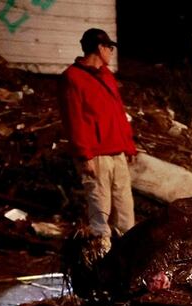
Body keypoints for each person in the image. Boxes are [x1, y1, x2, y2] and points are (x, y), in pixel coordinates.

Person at [59, 28, 137, 259]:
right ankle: (101, 260)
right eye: (109, 48)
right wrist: (84, 155)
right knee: (100, 211)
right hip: (96, 155)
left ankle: (127, 258)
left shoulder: (106, 76)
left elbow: (118, 113)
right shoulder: (72, 77)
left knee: (125, 211)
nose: (111, 52)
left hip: (116, 152)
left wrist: (129, 145)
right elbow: (74, 120)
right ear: (100, 48)